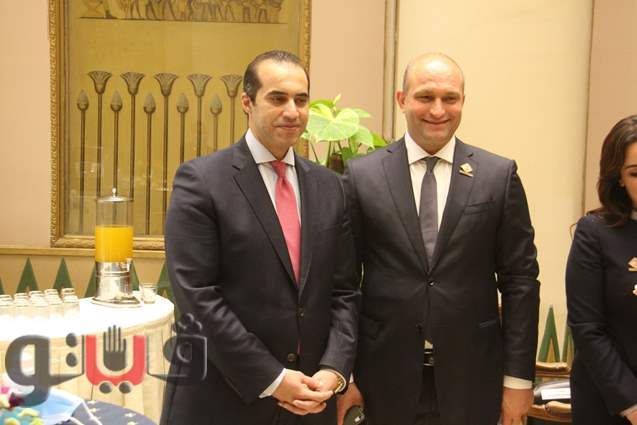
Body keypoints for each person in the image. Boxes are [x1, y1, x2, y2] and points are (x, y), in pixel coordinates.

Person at [338, 53, 540, 425]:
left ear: (463, 101)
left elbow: (520, 282)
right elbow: (342, 284)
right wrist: (343, 374)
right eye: (425, 97)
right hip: (382, 379)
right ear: (402, 99)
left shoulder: (497, 176)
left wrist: (517, 380)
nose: (437, 110)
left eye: (450, 98)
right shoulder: (362, 176)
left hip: (473, 379)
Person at [159, 50, 360, 425]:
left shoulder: (331, 187)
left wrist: (334, 369)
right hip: (222, 402)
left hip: (310, 403)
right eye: (277, 98)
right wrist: (273, 378)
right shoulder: (201, 181)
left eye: (301, 100)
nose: (292, 111)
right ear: (247, 102)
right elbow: (197, 296)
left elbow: (344, 291)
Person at [566, 115, 637, 425]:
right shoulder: (595, 232)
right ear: (618, 178)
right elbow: (587, 328)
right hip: (613, 404)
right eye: (635, 173)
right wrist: (632, 404)